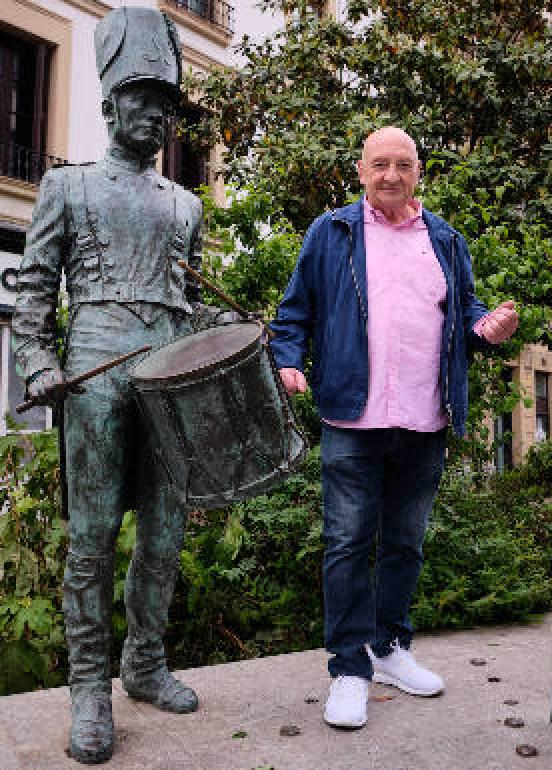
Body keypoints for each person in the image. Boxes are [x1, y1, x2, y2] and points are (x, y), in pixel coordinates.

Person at [14, 7, 239, 764]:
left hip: (168, 381)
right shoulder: (67, 187)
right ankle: (89, 691)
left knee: (165, 536)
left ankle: (145, 664)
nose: (157, 114)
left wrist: (229, 326)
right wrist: (38, 363)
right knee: (92, 540)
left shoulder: (186, 204)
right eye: (144, 98)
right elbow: (33, 294)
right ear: (111, 103)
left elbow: (186, 297)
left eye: (167, 103)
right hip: (94, 375)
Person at [268, 126, 519, 729]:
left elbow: (464, 309)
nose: (390, 175)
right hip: (352, 416)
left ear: (418, 173)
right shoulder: (331, 233)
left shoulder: (445, 239)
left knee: (406, 541)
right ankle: (349, 669)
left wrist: (485, 326)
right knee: (347, 543)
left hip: (425, 418)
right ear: (360, 171)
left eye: (402, 165)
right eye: (379, 164)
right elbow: (294, 312)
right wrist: (286, 359)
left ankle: (388, 647)